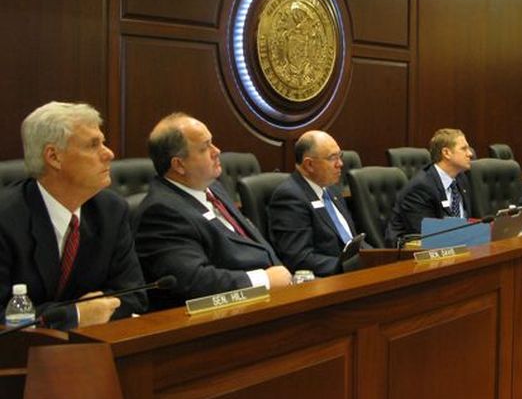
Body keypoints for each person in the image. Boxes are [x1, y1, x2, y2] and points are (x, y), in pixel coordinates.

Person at [0, 102, 146, 329]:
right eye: (93, 145)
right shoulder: (6, 218)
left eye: (103, 143)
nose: (109, 154)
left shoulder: (110, 210)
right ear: (54, 157)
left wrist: (89, 312)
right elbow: (3, 314)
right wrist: (75, 314)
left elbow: (135, 296)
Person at [133, 113, 290, 309]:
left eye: (212, 143)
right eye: (204, 147)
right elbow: (194, 281)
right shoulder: (160, 212)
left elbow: (250, 241)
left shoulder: (213, 188)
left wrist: (284, 275)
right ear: (179, 165)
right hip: (222, 316)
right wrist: (264, 279)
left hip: (271, 297)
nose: (217, 151)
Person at [268, 131, 367, 276]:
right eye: (333, 158)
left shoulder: (331, 189)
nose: (340, 164)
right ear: (309, 165)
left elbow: (351, 240)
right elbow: (299, 258)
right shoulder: (290, 197)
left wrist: (379, 257)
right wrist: (350, 266)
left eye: (340, 156)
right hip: (327, 282)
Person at [385, 128, 473, 246]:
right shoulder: (421, 187)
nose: (470, 154)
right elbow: (426, 235)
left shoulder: (461, 178)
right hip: (412, 254)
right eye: (464, 149)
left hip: (456, 246)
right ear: (446, 153)